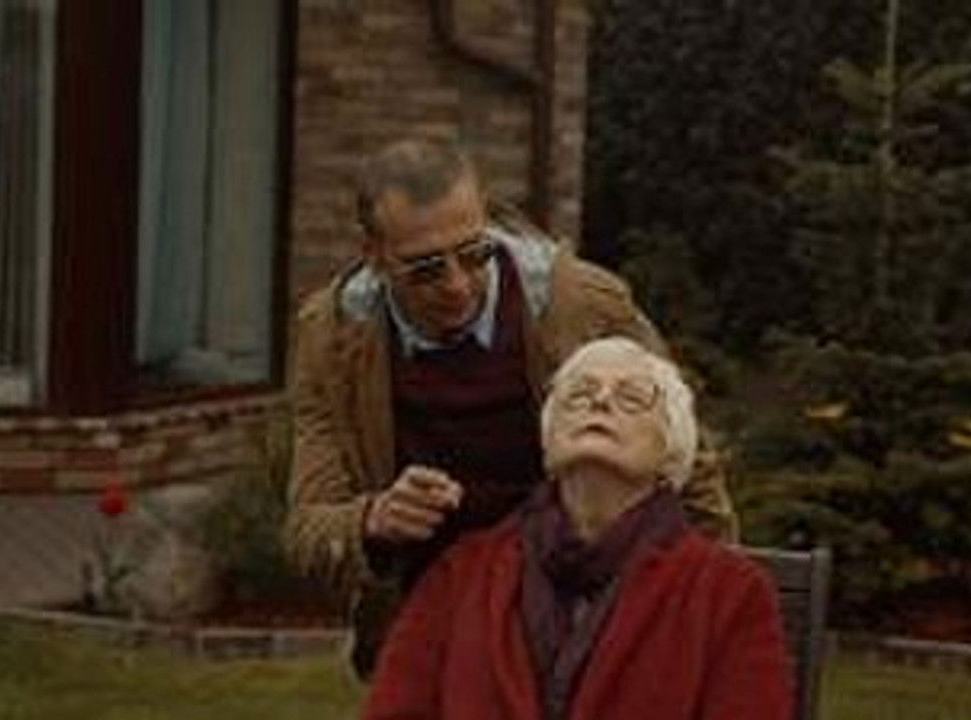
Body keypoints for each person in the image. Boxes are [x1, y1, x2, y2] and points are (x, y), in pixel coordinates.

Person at [284, 138, 737, 677]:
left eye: (475, 253)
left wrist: (713, 614)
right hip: (434, 629)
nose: (458, 285)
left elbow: (686, 459)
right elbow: (309, 526)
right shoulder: (331, 340)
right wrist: (372, 519)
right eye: (426, 269)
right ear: (374, 255)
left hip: (581, 612)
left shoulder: (580, 307)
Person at [362, 337, 792, 720]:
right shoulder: (462, 573)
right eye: (578, 395)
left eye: (632, 398)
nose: (599, 402)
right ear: (549, 440)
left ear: (672, 450)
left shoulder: (729, 592)